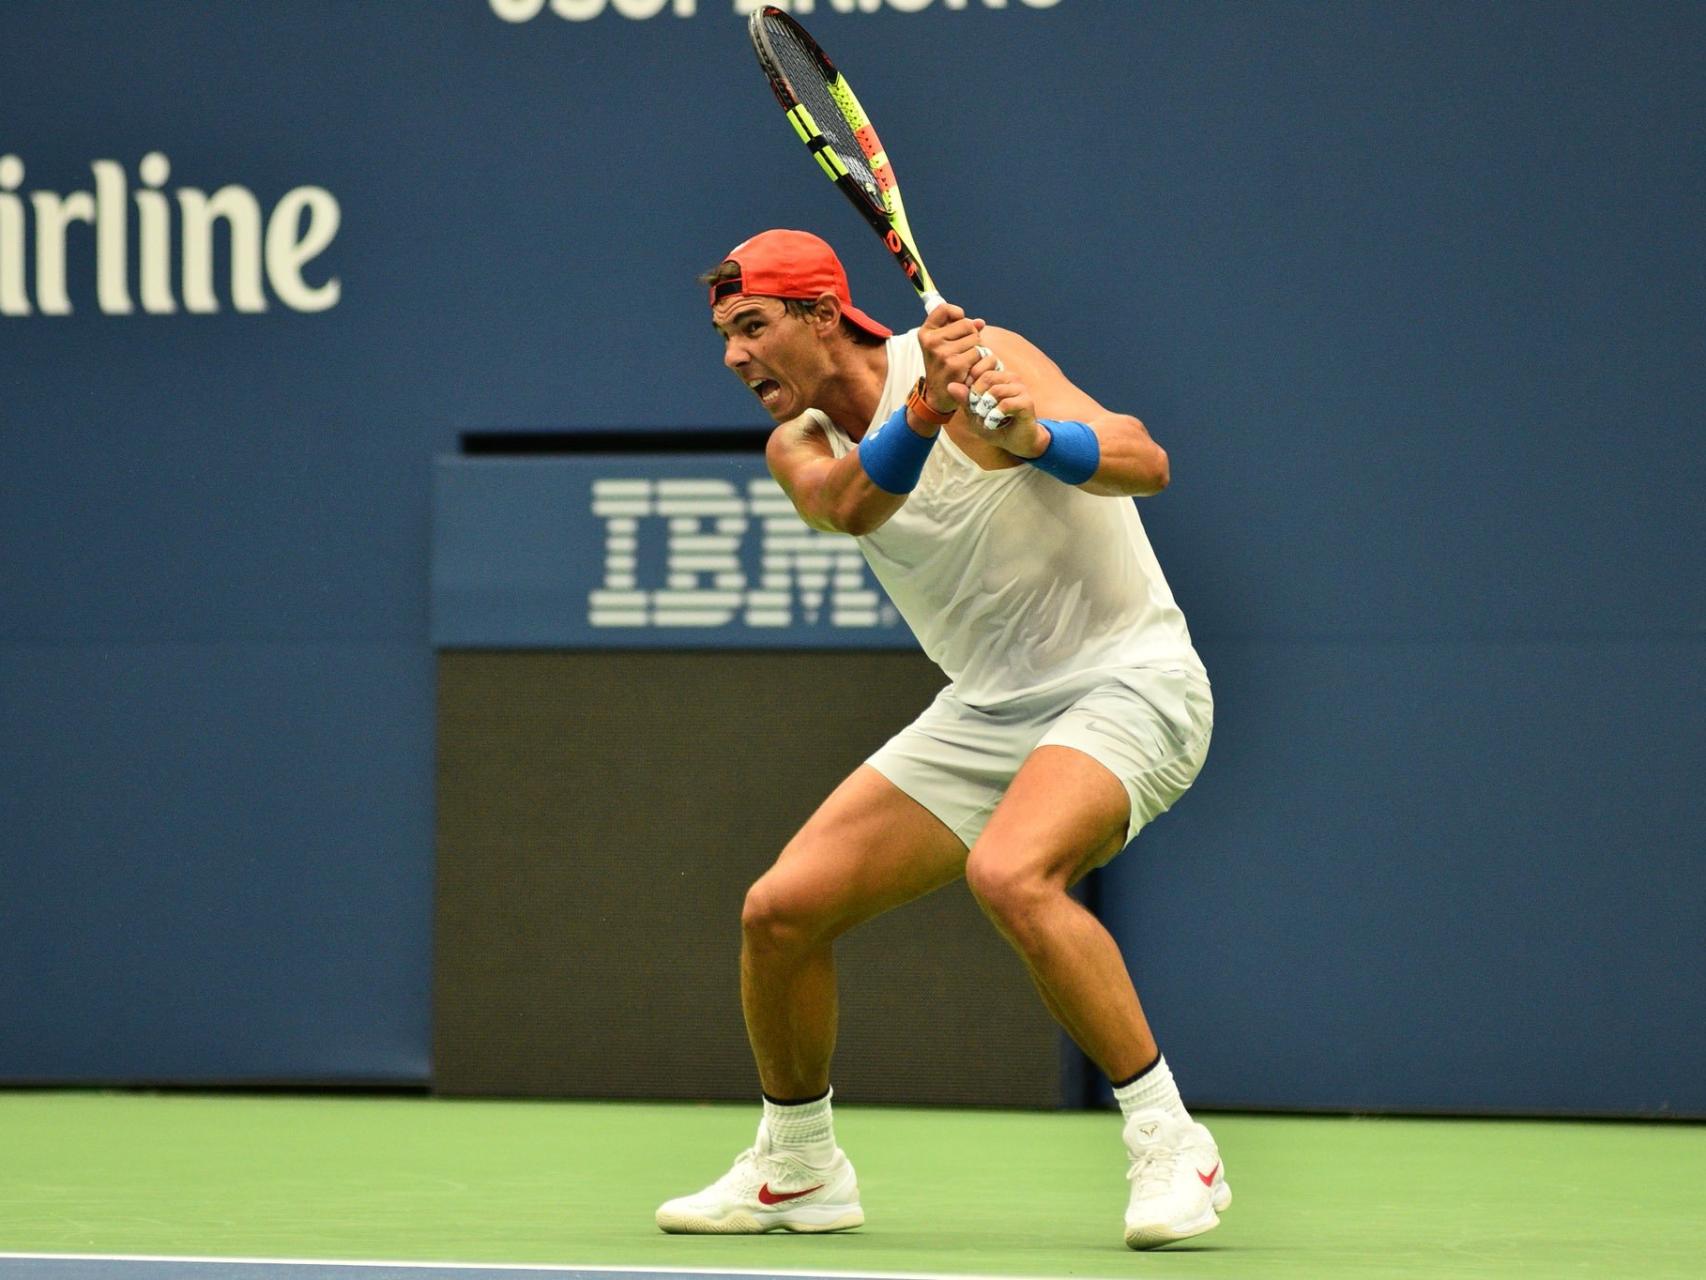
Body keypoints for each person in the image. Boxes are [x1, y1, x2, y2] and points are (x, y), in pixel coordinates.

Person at [655, 228, 1225, 1250]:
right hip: (988, 708)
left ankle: (1169, 1139)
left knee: (1012, 872)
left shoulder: (983, 359)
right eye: (724, 334)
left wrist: (1036, 441)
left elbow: (1146, 459)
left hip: (1129, 678)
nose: (735, 356)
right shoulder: (803, 443)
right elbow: (851, 504)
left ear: (822, 314)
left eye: (753, 326)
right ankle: (796, 1167)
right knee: (779, 913)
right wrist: (924, 414)